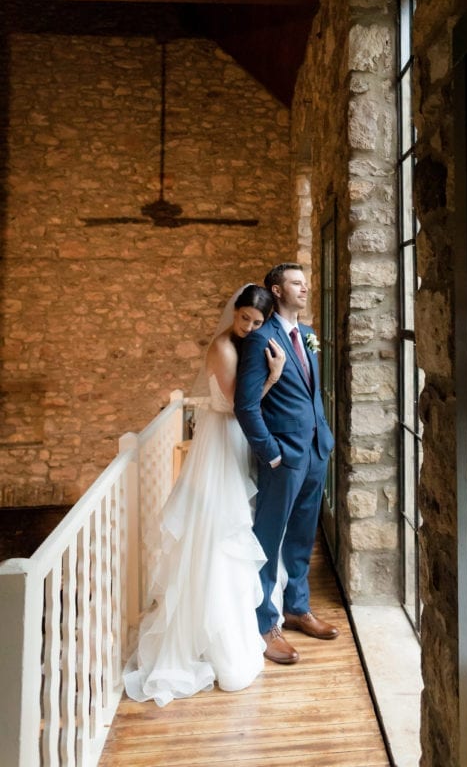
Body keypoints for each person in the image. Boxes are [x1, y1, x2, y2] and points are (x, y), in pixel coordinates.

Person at [123, 284, 286, 706]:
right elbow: (237, 406)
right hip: (220, 439)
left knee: (230, 530)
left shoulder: (242, 342)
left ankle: (229, 627)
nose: (248, 326)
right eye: (244, 317)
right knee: (218, 534)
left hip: (231, 441)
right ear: (234, 311)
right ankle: (210, 640)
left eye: (256, 321)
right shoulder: (225, 348)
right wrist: (272, 377)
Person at [234, 262, 338, 666]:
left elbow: (313, 395)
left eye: (306, 281)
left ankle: (297, 608)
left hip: (316, 451)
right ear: (276, 291)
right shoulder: (261, 336)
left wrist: (323, 440)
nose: (305, 287)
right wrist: (270, 452)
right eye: (296, 282)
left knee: (301, 538)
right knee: (268, 540)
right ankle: (265, 624)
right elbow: (246, 404)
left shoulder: (307, 336)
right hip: (283, 457)